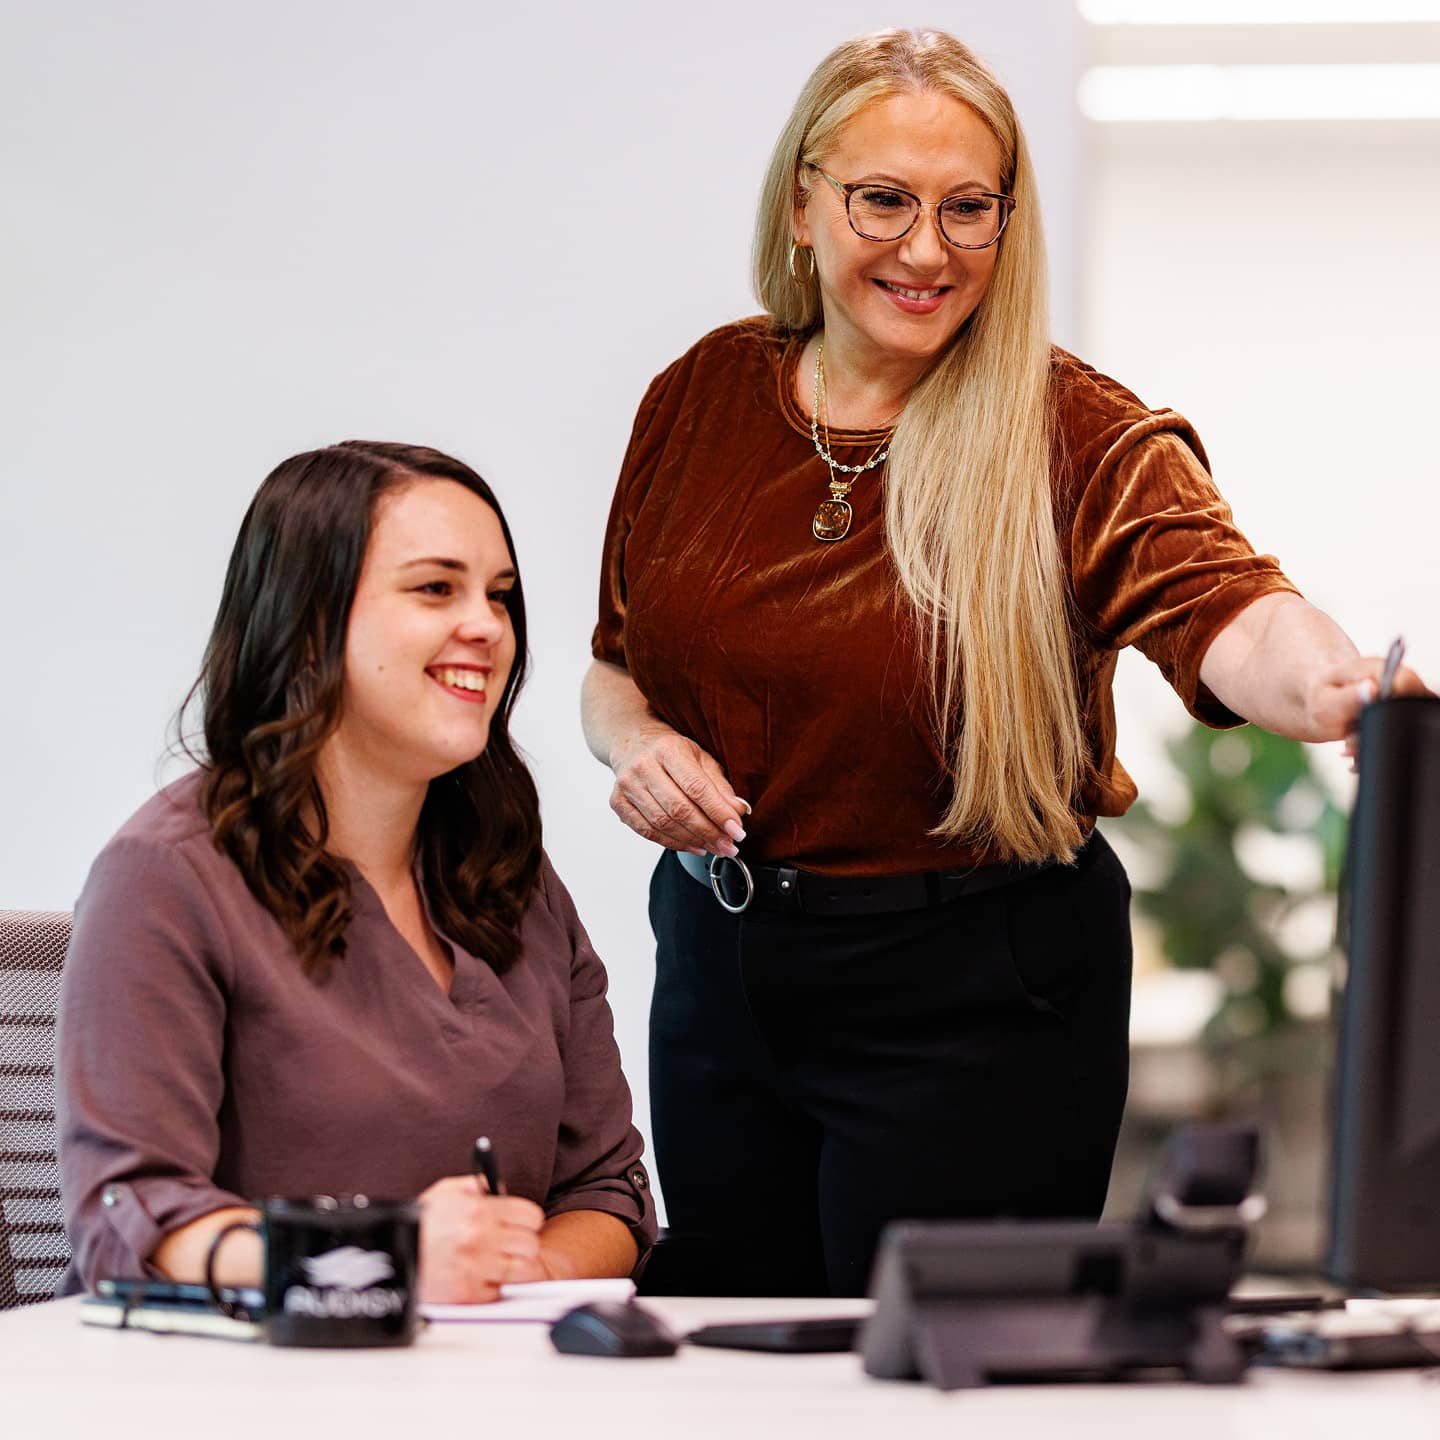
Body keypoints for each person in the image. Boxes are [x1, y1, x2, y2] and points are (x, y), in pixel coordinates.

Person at [581, 28, 1427, 1297]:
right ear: (804, 202)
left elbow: (1231, 604)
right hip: (723, 972)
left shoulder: (1075, 431)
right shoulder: (699, 396)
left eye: (968, 209)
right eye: (884, 200)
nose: (926, 250)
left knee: (933, 1386)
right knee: (723, 1360)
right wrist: (637, 745)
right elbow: (614, 668)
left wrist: (1333, 686)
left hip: (975, 998)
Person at [59, 441, 655, 1300]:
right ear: (306, 623)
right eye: (434, 589)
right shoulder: (163, 878)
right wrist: (385, 1258)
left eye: (498, 596)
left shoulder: (515, 878)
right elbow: (132, 1217)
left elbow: (606, 1192)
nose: (487, 627)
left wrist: (530, 1270)